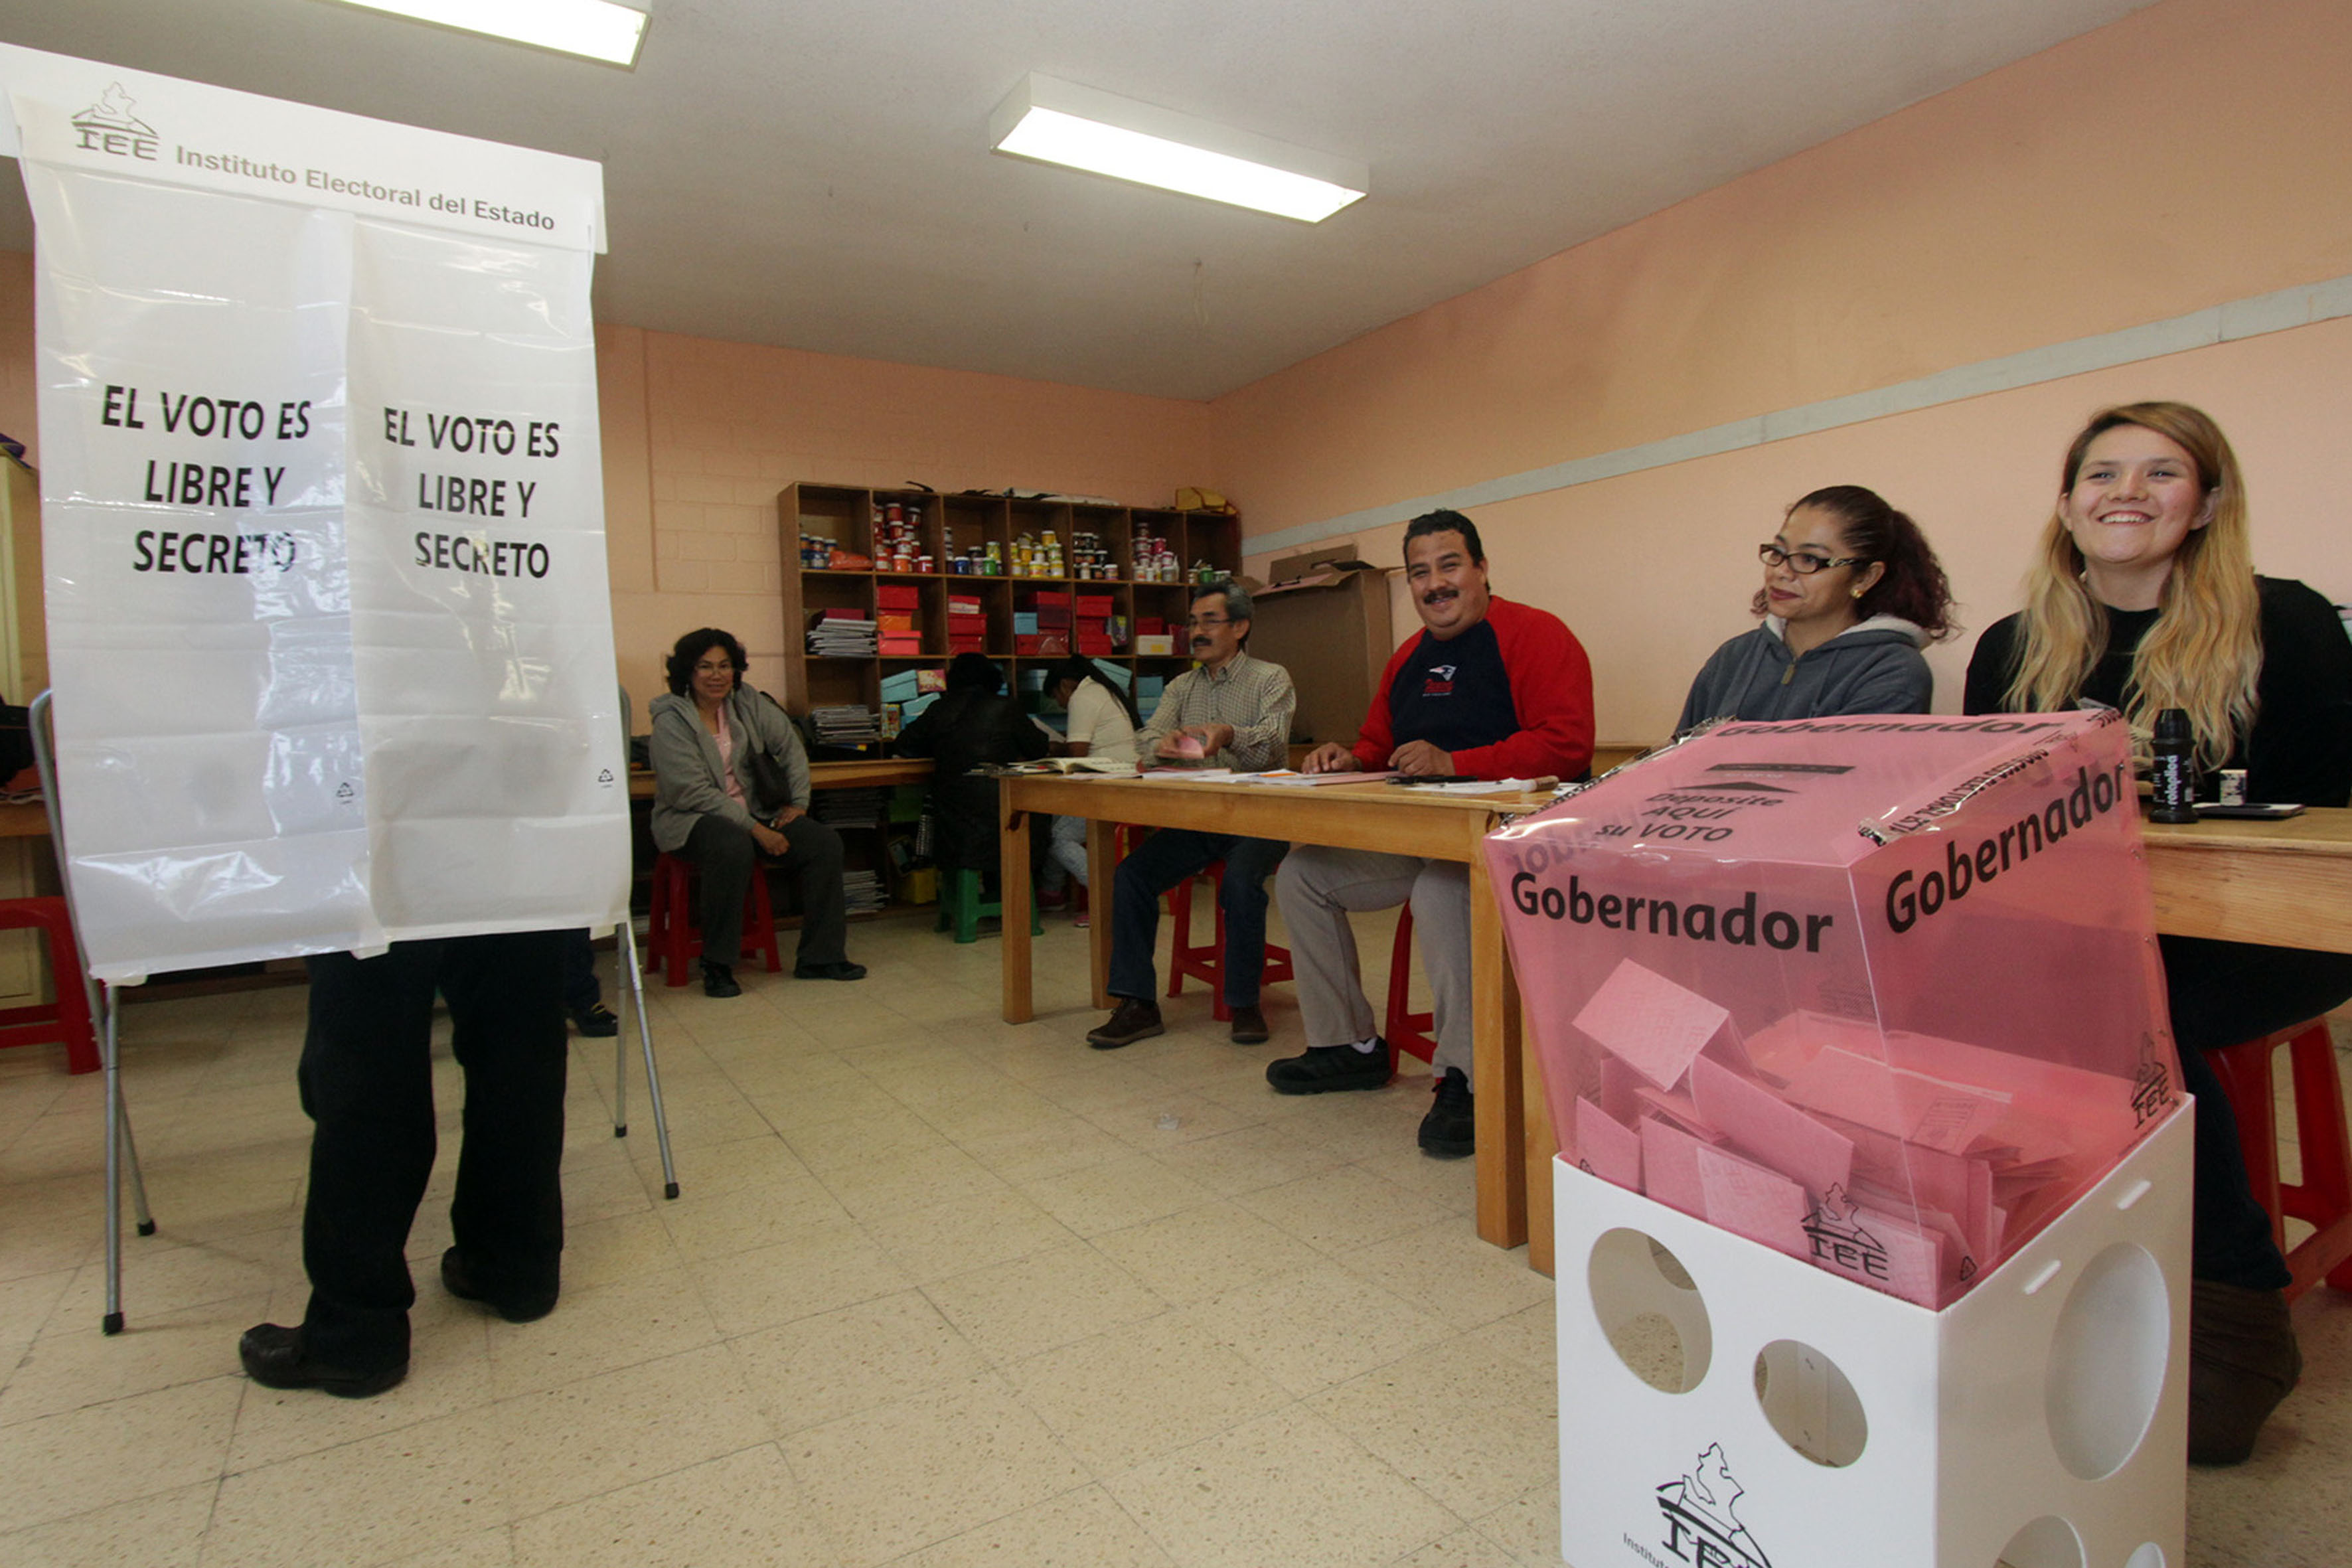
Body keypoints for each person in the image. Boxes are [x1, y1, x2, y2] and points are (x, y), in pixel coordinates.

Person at [1962, 400, 2352, 1466]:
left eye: (2159, 471)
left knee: (2134, 1007)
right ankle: (2036, 1267)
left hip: (2266, 935)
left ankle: (2234, 1306)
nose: (2124, 492)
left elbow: (2336, 809)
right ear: (2064, 503)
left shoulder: (2290, 622)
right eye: (2099, 472)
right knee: (1966, 995)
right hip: (2082, 934)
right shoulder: (2010, 647)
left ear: (2207, 501)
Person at [1269, 509, 1593, 1156]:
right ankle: (1349, 1045)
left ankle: (1466, 1076)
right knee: (1302, 874)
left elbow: (1569, 744)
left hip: (1520, 846)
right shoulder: (1407, 661)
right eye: (1420, 572)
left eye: (1449, 566)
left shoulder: (1537, 635)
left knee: (1444, 891)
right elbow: (1377, 743)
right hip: (1429, 837)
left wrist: (1457, 763)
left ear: (1481, 568)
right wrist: (1351, 758)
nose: (1435, 584)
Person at [239, 930, 570, 1397]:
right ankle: (515, 1267)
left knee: (368, 1034)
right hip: (526, 860)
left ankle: (355, 1333)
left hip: (377, 861)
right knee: (517, 1019)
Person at [1084, 580, 1296, 1049]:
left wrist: (1227, 735)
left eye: (1209, 621)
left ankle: (1243, 1002)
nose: (1196, 632)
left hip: (1260, 818)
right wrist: (1162, 745)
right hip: (1200, 818)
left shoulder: (1269, 678)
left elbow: (1273, 741)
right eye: (1193, 622)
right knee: (1132, 875)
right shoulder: (1181, 686)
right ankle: (1138, 1004)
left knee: (1241, 882)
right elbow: (1144, 739)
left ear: (1240, 627)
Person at [649, 628, 864, 994]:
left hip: (759, 813)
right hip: (692, 820)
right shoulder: (671, 720)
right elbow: (692, 792)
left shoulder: (746, 703)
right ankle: (717, 963)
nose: (716, 675)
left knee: (823, 843)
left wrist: (798, 803)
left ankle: (820, 957)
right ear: (687, 671)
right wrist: (757, 830)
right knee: (732, 846)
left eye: (724, 666)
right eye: (705, 667)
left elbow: (790, 746)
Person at [1678, 484, 1954, 731]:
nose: (1782, 572)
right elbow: (1676, 762)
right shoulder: (1733, 657)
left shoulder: (1892, 670)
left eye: (1810, 559)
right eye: (1778, 552)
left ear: (1865, 577)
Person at [894, 653, 1050, 877]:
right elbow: (1038, 748)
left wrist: (943, 748)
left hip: (955, 828)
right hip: (1006, 820)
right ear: (992, 679)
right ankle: (1017, 893)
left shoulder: (939, 709)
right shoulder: (1007, 707)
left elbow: (904, 746)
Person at [1037, 655, 1142, 921]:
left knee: (1058, 837)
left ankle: (1111, 897)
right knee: (1054, 819)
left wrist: (1053, 749)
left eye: (1056, 697)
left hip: (1111, 787)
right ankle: (1052, 892)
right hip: (1126, 783)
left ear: (1063, 686)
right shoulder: (1104, 691)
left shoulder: (1083, 697)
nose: (1060, 705)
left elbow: (1078, 753)